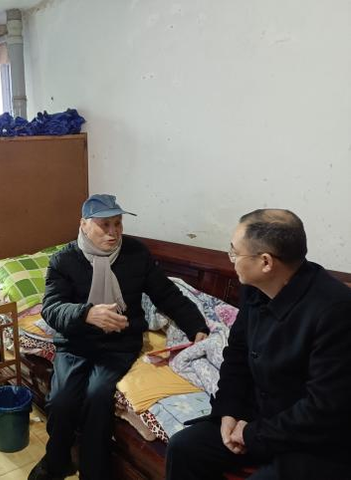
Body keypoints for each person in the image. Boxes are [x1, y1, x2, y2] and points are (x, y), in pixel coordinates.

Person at [29, 194, 208, 480]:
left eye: (118, 223)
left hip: (119, 344)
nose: (113, 233)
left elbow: (166, 294)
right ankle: (57, 462)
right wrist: (86, 314)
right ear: (84, 224)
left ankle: (94, 472)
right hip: (76, 343)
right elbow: (51, 308)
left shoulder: (136, 254)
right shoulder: (64, 259)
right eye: (104, 225)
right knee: (62, 401)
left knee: (97, 396)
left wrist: (197, 327)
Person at [165, 209, 351, 480]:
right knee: (184, 448)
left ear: (266, 262)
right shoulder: (255, 288)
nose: (231, 259)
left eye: (235, 252)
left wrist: (252, 434)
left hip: (313, 439)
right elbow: (237, 355)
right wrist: (228, 411)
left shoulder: (335, 310)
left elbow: (324, 408)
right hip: (259, 417)